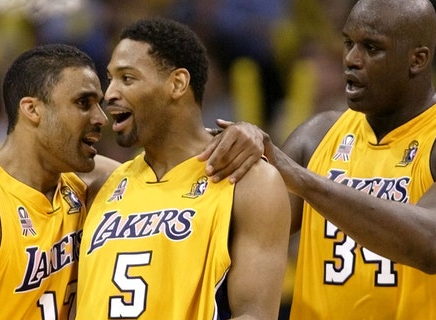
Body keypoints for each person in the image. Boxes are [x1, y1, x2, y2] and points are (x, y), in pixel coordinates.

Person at [202, 0, 436, 319]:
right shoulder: (316, 136)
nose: (352, 59)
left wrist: (304, 181)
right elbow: (234, 234)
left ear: (417, 59)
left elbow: (433, 245)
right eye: (348, 43)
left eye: (372, 48)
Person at [0, 43, 261, 319]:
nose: (101, 118)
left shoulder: (96, 183)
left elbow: (178, 167)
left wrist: (245, 135)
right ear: (32, 110)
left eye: (99, 104)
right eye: (83, 103)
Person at [76, 18, 291, 319]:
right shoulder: (99, 182)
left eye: (127, 78)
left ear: (177, 83)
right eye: (109, 78)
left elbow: (255, 314)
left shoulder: (249, 181)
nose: (109, 93)